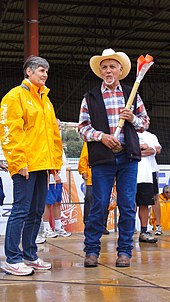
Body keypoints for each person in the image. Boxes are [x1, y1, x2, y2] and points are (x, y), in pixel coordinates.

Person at [78, 48, 148, 268]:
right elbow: (82, 128)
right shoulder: (90, 97)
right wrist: (102, 137)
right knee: (98, 205)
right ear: (100, 71)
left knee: (127, 206)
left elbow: (145, 123)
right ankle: (91, 251)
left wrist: (133, 119)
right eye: (105, 67)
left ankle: (125, 252)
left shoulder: (132, 94)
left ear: (120, 70)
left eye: (112, 67)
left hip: (128, 158)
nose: (108, 71)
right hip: (102, 158)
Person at [0, 55, 63, 276]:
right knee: (20, 210)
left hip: (43, 165)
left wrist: (55, 164)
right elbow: (10, 132)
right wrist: (18, 162)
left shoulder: (46, 101)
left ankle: (30, 254)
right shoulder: (15, 96)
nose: (45, 74)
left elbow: (54, 136)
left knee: (36, 212)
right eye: (40, 70)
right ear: (28, 72)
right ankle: (12, 259)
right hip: (25, 165)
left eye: (46, 71)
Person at [78, 142, 110, 234]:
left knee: (105, 200)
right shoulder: (90, 140)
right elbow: (84, 157)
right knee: (89, 199)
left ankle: (103, 225)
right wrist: (83, 171)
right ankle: (88, 224)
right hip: (91, 175)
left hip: (106, 175)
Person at [41, 149, 71, 238]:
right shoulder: (48, 143)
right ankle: (46, 228)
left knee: (58, 203)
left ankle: (58, 227)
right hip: (51, 179)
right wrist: (54, 175)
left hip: (60, 178)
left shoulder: (59, 146)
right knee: (48, 203)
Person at [136, 131, 158, 243]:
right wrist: (140, 148)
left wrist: (135, 152)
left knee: (144, 204)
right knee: (129, 205)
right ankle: (127, 232)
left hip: (146, 176)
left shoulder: (150, 136)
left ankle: (143, 231)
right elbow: (123, 148)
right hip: (128, 174)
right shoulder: (127, 132)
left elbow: (154, 150)